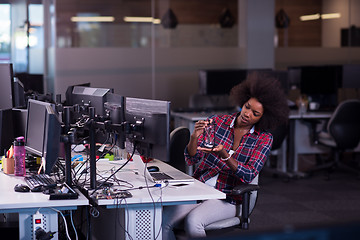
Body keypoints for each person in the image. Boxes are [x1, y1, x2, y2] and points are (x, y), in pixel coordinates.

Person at [162, 72, 289, 239]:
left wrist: (225, 156)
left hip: (228, 197)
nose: (247, 114)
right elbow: (191, 158)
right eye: (247, 107)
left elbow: (249, 174)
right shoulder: (218, 122)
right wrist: (194, 138)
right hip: (201, 189)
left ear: (263, 118)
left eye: (255, 114)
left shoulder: (264, 139)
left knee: (194, 222)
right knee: (163, 220)